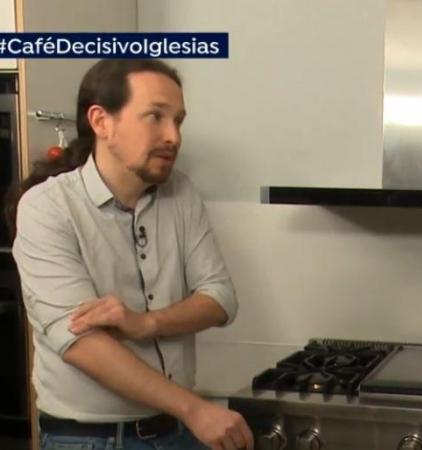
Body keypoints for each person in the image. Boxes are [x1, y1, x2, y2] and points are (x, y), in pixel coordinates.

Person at [9, 59, 254, 450]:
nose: (173, 136)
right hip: (91, 440)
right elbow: (83, 343)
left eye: (178, 121)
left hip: (174, 432)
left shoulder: (181, 194)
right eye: (155, 116)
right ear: (101, 122)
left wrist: (146, 323)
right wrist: (194, 409)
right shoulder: (47, 208)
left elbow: (221, 297)